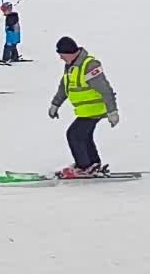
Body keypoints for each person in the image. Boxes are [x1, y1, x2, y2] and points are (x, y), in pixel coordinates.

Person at [48, 37, 118, 178]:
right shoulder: (71, 66)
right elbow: (64, 87)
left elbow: (105, 89)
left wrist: (112, 111)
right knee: (84, 136)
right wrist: (55, 104)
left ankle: (84, 167)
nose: (61, 58)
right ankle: (93, 163)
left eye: (61, 54)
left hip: (95, 109)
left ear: (68, 53)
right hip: (85, 111)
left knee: (74, 135)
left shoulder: (89, 65)